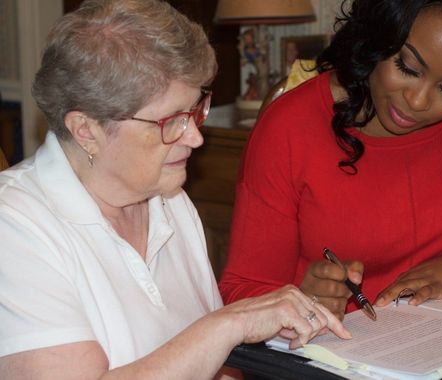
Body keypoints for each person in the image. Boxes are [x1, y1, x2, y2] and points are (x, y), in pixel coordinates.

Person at [0, 1, 351, 379]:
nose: (195, 137)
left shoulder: (167, 200)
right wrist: (229, 325)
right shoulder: (15, 226)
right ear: (87, 130)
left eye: (196, 109)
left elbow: (217, 368)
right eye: (171, 121)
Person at [219, 0, 442, 320]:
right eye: (407, 66)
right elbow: (242, 291)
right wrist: (297, 302)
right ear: (377, 37)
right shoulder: (292, 126)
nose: (417, 101)